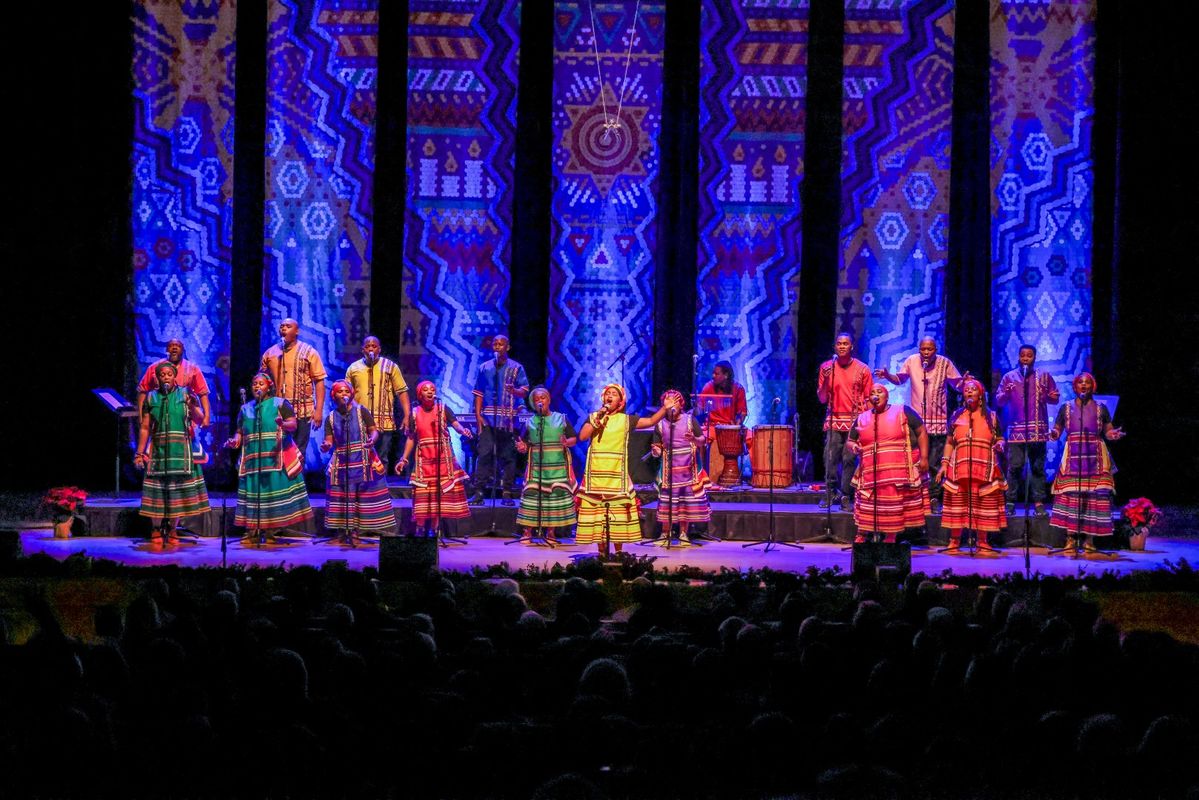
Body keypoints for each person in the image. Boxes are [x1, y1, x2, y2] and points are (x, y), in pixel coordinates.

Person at [575, 384, 678, 556]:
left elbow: (651, 421)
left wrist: (665, 408)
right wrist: (597, 418)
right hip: (596, 474)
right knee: (598, 514)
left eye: (614, 394)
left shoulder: (626, 420)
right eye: (607, 393)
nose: (610, 396)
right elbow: (583, 436)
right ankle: (601, 552)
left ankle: (618, 553)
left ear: (621, 401)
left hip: (616, 474)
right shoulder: (594, 416)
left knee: (618, 513)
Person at [874, 337, 966, 513]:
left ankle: (933, 498)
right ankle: (916, 497)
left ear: (935, 350)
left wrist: (964, 382)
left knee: (934, 463)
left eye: (929, 349)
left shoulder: (944, 363)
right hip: (917, 423)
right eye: (923, 349)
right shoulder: (912, 361)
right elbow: (900, 379)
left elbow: (957, 384)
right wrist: (887, 375)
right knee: (916, 461)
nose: (926, 352)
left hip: (937, 422)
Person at [224, 372, 313, 542]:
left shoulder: (280, 403)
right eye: (254, 384)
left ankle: (272, 530)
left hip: (275, 456)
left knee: (272, 494)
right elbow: (240, 432)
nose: (257, 386)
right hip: (253, 459)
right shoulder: (245, 408)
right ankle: (252, 530)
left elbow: (293, 424)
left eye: (261, 383)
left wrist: (283, 424)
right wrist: (235, 441)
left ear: (269, 386)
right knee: (254, 494)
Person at [134, 362, 211, 544]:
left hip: (181, 451)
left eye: (169, 374)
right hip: (159, 450)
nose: (166, 377)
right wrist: (139, 453)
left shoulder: (185, 394)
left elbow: (200, 418)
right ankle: (155, 528)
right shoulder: (151, 397)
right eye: (162, 374)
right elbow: (145, 427)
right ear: (157, 378)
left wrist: (193, 406)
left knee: (177, 491)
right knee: (158, 491)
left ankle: (173, 528)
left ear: (175, 376)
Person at [1048, 373, 1124, 552]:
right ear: (1075, 386)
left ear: (1093, 386)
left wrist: (1112, 435)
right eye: (1080, 382)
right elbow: (1057, 429)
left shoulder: (1101, 408)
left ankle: (1089, 540)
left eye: (1087, 382)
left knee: (1093, 498)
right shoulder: (1066, 407)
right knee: (1071, 497)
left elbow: (1108, 430)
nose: (1084, 385)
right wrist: (1054, 434)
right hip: (1073, 457)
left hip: (1095, 458)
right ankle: (1070, 539)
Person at [847, 383, 930, 543]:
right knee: (867, 502)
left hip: (896, 470)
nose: (876, 395)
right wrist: (854, 446)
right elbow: (850, 441)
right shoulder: (862, 418)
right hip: (870, 470)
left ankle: (891, 536)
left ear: (887, 396)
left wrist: (924, 457)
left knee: (893, 502)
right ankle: (862, 534)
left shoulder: (903, 411)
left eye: (880, 391)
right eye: (872, 393)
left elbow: (921, 431)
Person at [320, 380, 396, 543]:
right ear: (333, 395)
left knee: (360, 496)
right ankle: (342, 531)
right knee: (342, 496)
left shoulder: (362, 411)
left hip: (363, 458)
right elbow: (329, 440)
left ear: (352, 394)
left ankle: (355, 531)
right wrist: (326, 446)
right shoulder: (331, 418)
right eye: (340, 391)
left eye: (346, 391)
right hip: (342, 460)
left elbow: (374, 431)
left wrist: (372, 440)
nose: (344, 394)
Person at [936, 378, 1007, 551]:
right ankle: (954, 540)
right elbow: (949, 442)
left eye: (973, 388)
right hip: (959, 467)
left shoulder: (992, 417)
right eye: (966, 389)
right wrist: (944, 464)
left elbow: (1000, 438)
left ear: (981, 394)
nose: (969, 391)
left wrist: (1000, 445)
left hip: (984, 466)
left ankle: (982, 541)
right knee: (958, 502)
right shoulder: (956, 415)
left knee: (984, 502)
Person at [398, 381, 474, 536]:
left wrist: (462, 431)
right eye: (426, 389)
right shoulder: (414, 413)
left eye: (432, 389)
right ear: (420, 394)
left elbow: (456, 425)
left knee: (439, 496)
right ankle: (420, 529)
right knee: (423, 495)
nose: (430, 392)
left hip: (443, 459)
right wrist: (403, 459)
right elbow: (411, 438)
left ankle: (435, 529)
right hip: (424, 460)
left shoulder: (443, 408)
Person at [996, 344, 1060, 517]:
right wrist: (1006, 394)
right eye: (1022, 355)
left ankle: (1039, 503)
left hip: (1038, 430)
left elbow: (1055, 398)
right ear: (1018, 357)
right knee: (1015, 467)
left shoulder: (1044, 376)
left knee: (1037, 467)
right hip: (1017, 430)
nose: (1025, 358)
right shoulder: (1009, 377)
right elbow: (999, 401)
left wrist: (1045, 396)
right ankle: (1010, 502)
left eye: (1029, 355)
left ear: (1034, 357)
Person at [514, 386, 578, 544]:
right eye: (536, 399)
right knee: (532, 498)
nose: (540, 401)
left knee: (553, 499)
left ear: (548, 400)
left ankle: (551, 533)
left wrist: (566, 442)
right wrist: (522, 447)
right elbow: (524, 443)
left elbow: (574, 439)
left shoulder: (561, 418)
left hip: (557, 467)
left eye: (542, 398)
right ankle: (527, 532)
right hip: (536, 468)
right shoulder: (530, 422)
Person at [471, 334, 530, 505]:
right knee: (484, 454)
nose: (497, 346)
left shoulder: (516, 367)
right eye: (495, 344)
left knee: (508, 457)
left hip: (508, 420)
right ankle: (479, 492)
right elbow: (479, 393)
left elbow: (524, 391)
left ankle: (507, 493)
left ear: (507, 347)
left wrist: (514, 391)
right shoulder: (484, 367)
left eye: (501, 344)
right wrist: (478, 415)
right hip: (488, 419)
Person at [260, 318, 327, 464]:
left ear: (297, 331)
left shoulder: (309, 352)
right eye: (282, 326)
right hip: (278, 411)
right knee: (277, 451)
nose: (284, 328)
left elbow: (319, 382)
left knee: (299, 451)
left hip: (302, 411)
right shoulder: (270, 353)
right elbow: (262, 381)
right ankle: (279, 478)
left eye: (288, 326)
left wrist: (318, 410)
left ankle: (297, 479)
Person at [817, 333, 873, 511]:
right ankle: (830, 491)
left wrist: (867, 423)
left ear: (851, 347)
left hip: (855, 421)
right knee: (830, 457)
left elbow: (869, 398)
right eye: (839, 343)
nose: (842, 346)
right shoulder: (826, 368)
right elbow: (822, 398)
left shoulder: (863, 369)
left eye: (845, 343)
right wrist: (826, 379)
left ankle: (846, 495)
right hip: (834, 420)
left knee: (849, 459)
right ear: (835, 347)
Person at [650, 389, 711, 545]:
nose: (672, 405)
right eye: (668, 402)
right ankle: (665, 533)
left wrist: (694, 439)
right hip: (669, 469)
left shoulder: (690, 420)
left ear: (681, 404)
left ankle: (684, 533)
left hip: (688, 468)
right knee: (667, 501)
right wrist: (656, 451)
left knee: (685, 502)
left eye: (675, 401)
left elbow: (702, 440)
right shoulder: (660, 424)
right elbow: (657, 448)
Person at [345, 335, 410, 472]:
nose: (371, 349)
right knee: (359, 457)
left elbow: (402, 391)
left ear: (379, 349)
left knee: (381, 458)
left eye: (374, 346)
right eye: (367, 346)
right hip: (360, 420)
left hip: (384, 422)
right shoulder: (353, 368)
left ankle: (380, 485)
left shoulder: (390, 367)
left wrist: (407, 415)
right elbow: (346, 393)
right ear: (362, 350)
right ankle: (362, 484)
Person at [136, 338, 211, 429]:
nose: (174, 348)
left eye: (178, 346)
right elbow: (143, 391)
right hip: (159, 417)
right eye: (171, 346)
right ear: (166, 350)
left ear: (183, 350)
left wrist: (207, 417)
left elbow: (203, 393)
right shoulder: (154, 367)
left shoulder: (192, 368)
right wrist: (141, 417)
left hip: (185, 419)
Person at [699, 360, 747, 484]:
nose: (713, 376)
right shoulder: (708, 387)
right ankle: (700, 477)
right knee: (699, 440)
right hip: (712, 427)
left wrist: (736, 426)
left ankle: (758, 477)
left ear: (726, 375)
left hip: (730, 428)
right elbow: (699, 409)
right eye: (713, 373)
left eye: (716, 373)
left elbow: (742, 413)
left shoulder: (738, 389)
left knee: (752, 438)